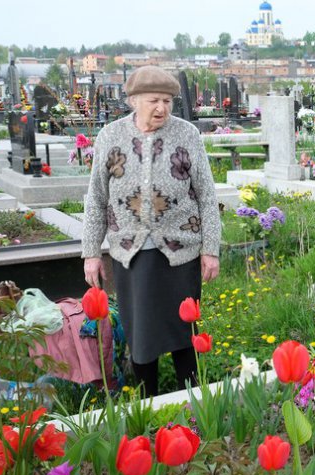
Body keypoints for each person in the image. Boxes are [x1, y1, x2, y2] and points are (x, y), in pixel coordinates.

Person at [81, 66, 221, 396]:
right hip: (131, 253)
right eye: (154, 101)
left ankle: (193, 401)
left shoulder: (187, 134)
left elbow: (206, 194)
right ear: (133, 101)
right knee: (142, 337)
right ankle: (149, 403)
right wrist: (90, 253)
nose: (162, 108)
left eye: (168, 101)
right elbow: (97, 198)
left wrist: (210, 249)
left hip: (181, 253)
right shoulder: (109, 137)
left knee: (184, 334)